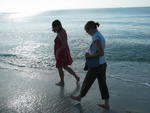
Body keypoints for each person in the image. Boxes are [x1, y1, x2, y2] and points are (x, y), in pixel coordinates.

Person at [71, 21, 110, 109]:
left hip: (96, 65)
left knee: (87, 81)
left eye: (87, 30)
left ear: (92, 28)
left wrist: (89, 56)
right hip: (102, 63)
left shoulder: (95, 37)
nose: (87, 32)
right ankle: (106, 103)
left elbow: (101, 52)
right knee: (102, 84)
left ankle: (79, 97)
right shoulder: (99, 35)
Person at [52, 19, 80, 86]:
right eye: (53, 27)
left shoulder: (60, 33)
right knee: (65, 67)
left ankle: (62, 81)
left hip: (61, 53)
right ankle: (76, 77)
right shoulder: (63, 31)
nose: (53, 28)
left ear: (58, 26)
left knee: (60, 67)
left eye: (54, 27)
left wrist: (58, 51)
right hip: (64, 52)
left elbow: (64, 44)